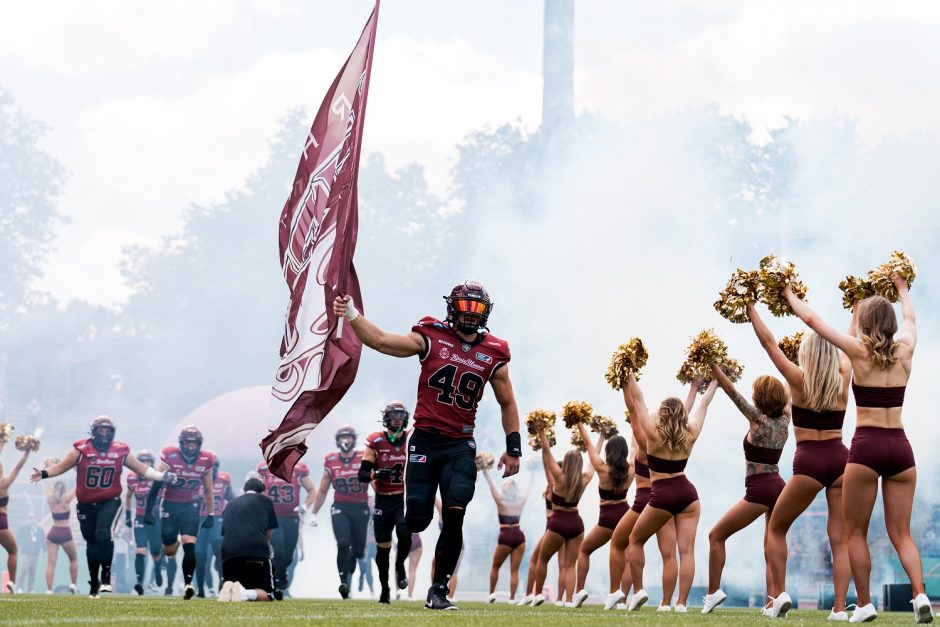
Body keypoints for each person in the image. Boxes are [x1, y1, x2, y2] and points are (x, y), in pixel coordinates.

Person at [333, 280, 522, 611]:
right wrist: (351, 313)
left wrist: (514, 446)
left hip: (460, 444)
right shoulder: (431, 336)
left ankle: (439, 589)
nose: (469, 315)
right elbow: (380, 340)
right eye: (464, 307)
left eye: (476, 309)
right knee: (418, 519)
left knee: (454, 512)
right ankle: (412, 544)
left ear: (486, 312)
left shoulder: (494, 352)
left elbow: (508, 403)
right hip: (424, 440)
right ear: (452, 308)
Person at [783, 279, 932, 624]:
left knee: (854, 532)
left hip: (867, 447)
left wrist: (789, 294)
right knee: (902, 534)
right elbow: (912, 319)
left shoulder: (856, 351)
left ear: (865, 324)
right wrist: (902, 289)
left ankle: (863, 604)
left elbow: (812, 322)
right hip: (901, 448)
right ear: (892, 325)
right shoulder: (906, 349)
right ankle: (919, 593)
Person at [745, 303, 852, 620]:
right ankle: (839, 609)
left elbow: (769, 343)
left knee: (776, 528)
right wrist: (856, 306)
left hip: (809, 464)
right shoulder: (843, 377)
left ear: (806, 354)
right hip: (840, 461)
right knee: (840, 539)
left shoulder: (796, 378)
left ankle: (778, 595)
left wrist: (750, 307)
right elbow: (848, 340)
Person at [31, 416, 172, 597]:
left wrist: (161, 476)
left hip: (109, 500)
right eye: (101, 430)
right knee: (91, 543)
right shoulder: (80, 449)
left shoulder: (120, 451)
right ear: (93, 432)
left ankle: (105, 577)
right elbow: (62, 466)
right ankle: (94, 583)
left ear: (112, 432)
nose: (104, 434)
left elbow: (141, 468)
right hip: (86, 504)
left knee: (103, 533)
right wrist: (44, 474)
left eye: (107, 431)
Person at [626, 373, 718, 613]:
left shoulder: (653, 434)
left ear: (662, 415)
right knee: (686, 551)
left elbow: (638, 399)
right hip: (688, 494)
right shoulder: (690, 433)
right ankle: (681, 603)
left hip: (662, 495)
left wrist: (630, 373)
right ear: (681, 417)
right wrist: (715, 381)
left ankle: (641, 592)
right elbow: (703, 404)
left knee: (634, 540)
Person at [702, 367, 790, 615]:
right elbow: (791, 390)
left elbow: (731, 391)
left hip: (759, 489)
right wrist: (793, 361)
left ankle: (713, 592)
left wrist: (711, 361)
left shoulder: (757, 419)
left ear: (760, 399)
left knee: (715, 536)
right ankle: (774, 602)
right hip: (779, 487)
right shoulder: (786, 420)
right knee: (770, 546)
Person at [606, 432, 681, 611]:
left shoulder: (640, 450)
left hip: (644, 500)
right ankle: (665, 604)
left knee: (618, 543)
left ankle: (621, 594)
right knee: (669, 555)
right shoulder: (667, 449)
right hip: (665, 501)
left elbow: (634, 444)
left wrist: (635, 426)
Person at [144, 425, 215, 600]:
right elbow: (157, 483)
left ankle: (188, 584)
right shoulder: (170, 456)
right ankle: (168, 548)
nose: (191, 447)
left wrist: (211, 514)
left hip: (190, 506)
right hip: (170, 505)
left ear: (199, 444)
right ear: (181, 444)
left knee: (189, 543)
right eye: (188, 443)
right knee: (169, 551)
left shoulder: (206, 459)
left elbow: (208, 489)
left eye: (194, 444)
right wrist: (148, 510)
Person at [530, 425, 595, 607]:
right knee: (569, 565)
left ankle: (537, 595)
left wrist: (541, 430)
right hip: (576, 524)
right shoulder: (584, 479)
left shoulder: (559, 477)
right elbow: (594, 459)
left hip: (558, 522)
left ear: (565, 463)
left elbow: (546, 452)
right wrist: (601, 437)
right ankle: (568, 600)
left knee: (543, 559)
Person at [357, 401, 411, 603]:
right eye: (394, 415)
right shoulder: (376, 441)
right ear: (386, 418)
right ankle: (385, 589)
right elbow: (361, 474)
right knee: (383, 547)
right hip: (382, 500)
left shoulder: (412, 438)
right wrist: (376, 473)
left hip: (403, 497)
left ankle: (400, 565)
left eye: (401, 415)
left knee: (405, 533)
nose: (398, 418)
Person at [572, 425, 632, 608]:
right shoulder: (631, 470)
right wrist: (634, 423)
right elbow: (637, 448)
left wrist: (579, 423)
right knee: (628, 556)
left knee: (584, 550)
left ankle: (579, 591)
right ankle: (622, 600)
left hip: (606, 518)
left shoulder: (601, 468)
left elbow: (589, 444)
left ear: (609, 451)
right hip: (625, 516)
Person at [310, 425, 370, 599]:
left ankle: (352, 562)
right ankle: (343, 582)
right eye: (342, 437)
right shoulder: (330, 460)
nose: (345, 440)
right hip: (341, 507)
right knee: (343, 543)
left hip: (361, 506)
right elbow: (322, 490)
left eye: (349, 437)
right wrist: (314, 512)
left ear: (354, 439)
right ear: (337, 440)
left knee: (358, 551)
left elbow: (372, 480)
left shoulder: (363, 457)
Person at [256, 456, 314, 595]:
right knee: (279, 551)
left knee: (288, 555)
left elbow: (312, 490)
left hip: (292, 518)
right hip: (273, 518)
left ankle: (280, 575)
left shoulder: (298, 469)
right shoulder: (264, 469)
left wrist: (305, 506)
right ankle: (280, 581)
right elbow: (257, 491)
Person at [217, 477, 278, 602]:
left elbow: (225, 532)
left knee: (236, 586)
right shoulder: (266, 501)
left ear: (244, 490)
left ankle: (229, 587)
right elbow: (269, 533)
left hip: (229, 556)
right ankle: (245, 593)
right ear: (261, 491)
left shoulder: (230, 504)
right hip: (256, 553)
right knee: (268, 594)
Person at [482, 464, 530, 604]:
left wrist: (485, 472)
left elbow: (492, 487)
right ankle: (512, 598)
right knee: (514, 570)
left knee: (496, 566)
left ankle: (491, 594)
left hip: (505, 535)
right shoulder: (520, 501)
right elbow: (528, 490)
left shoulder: (501, 502)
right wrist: (533, 475)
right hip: (519, 535)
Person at [125, 449, 165, 595]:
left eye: (147, 462)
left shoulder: (156, 478)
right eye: (142, 462)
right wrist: (127, 515)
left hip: (154, 519)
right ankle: (139, 583)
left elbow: (166, 495)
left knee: (155, 551)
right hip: (140, 518)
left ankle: (158, 569)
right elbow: (128, 495)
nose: (145, 465)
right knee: (140, 550)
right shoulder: (132, 478)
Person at [195, 459, 233, 597]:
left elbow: (232, 499)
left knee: (221, 555)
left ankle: (223, 583)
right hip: (201, 521)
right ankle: (200, 588)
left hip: (217, 521)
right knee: (200, 555)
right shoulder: (196, 481)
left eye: (216, 465)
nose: (214, 469)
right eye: (211, 466)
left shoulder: (224, 479)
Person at [0, 442, 32, 594]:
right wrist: (27, 453)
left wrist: (3, 443)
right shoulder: (4, 484)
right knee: (13, 550)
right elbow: (18, 468)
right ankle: (12, 583)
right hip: (1, 523)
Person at [45, 479, 78, 594]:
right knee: (73, 559)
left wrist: (47, 474)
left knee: (51, 563)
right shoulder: (66, 498)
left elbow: (48, 487)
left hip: (53, 531)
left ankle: (49, 590)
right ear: (64, 489)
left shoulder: (50, 499)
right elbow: (77, 486)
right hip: (65, 531)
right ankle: (73, 585)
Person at [15, 513, 44, 593]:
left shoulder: (39, 529)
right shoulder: (23, 528)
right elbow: (18, 538)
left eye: (33, 518)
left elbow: (43, 540)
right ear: (27, 519)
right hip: (25, 553)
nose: (32, 520)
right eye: (30, 518)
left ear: (36, 519)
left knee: (33, 571)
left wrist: (44, 550)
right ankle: (19, 587)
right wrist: (18, 547)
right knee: (23, 570)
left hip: (35, 554)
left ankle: (30, 588)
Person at [406, 532, 423, 600]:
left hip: (404, 538)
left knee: (398, 566)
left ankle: (397, 591)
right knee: (412, 570)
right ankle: (409, 595)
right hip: (415, 539)